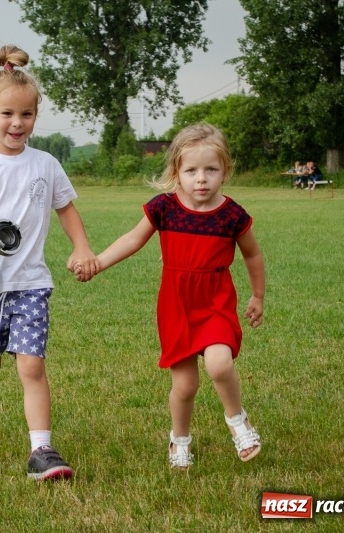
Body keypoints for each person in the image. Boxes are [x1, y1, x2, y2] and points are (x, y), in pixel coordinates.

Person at [0, 44, 99, 481]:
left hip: (30, 282)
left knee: (31, 364)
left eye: (26, 115)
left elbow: (66, 208)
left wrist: (81, 247)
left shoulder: (45, 165)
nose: (17, 123)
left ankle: (42, 451)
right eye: (8, 114)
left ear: (36, 116)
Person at [78, 123, 264, 469]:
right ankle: (180, 440)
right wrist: (97, 263)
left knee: (219, 363)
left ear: (226, 170)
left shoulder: (232, 216)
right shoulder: (165, 208)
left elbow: (252, 255)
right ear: (176, 172)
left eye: (211, 169)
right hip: (176, 307)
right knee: (185, 386)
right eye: (191, 170)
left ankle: (238, 421)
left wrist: (258, 296)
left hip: (214, 303)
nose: (201, 179)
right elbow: (132, 240)